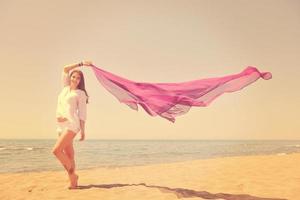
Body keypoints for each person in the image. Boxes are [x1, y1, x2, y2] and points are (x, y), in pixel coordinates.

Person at [52, 61, 92, 189]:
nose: (75, 79)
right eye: (73, 76)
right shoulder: (65, 88)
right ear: (70, 78)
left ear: (81, 81)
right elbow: (65, 68)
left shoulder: (80, 94)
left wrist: (83, 130)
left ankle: (73, 175)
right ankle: (73, 183)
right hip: (61, 126)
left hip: (72, 125)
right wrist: (81, 64)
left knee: (56, 151)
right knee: (69, 155)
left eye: (78, 78)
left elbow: (82, 113)